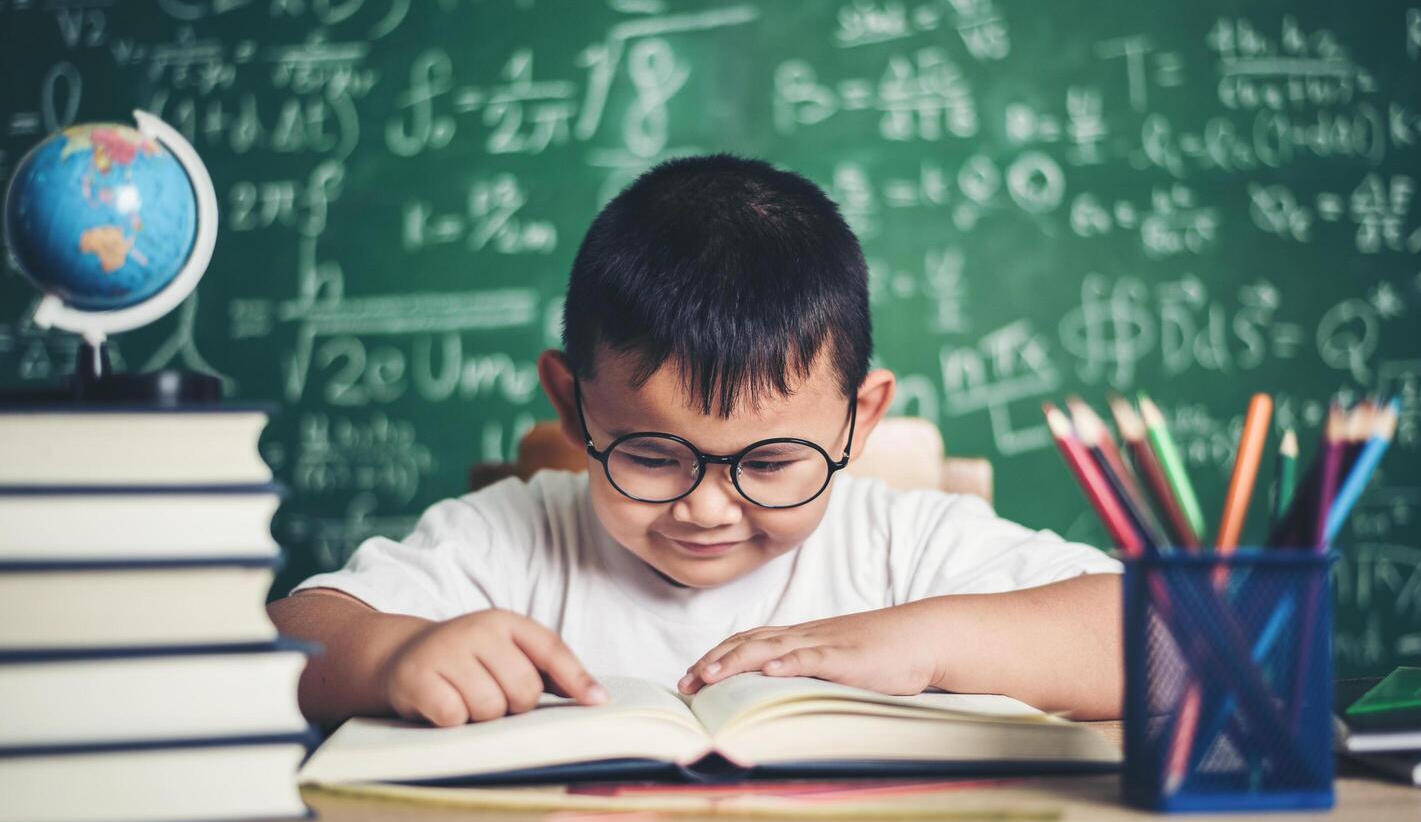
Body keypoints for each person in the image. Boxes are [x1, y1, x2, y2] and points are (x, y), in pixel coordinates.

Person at [268, 154, 1123, 728]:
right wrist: (387, 656)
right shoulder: (509, 537)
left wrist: (930, 641)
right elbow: (284, 636)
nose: (707, 507)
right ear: (572, 408)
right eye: (649, 455)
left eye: (771, 462)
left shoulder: (904, 543)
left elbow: (1172, 641)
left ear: (859, 421)